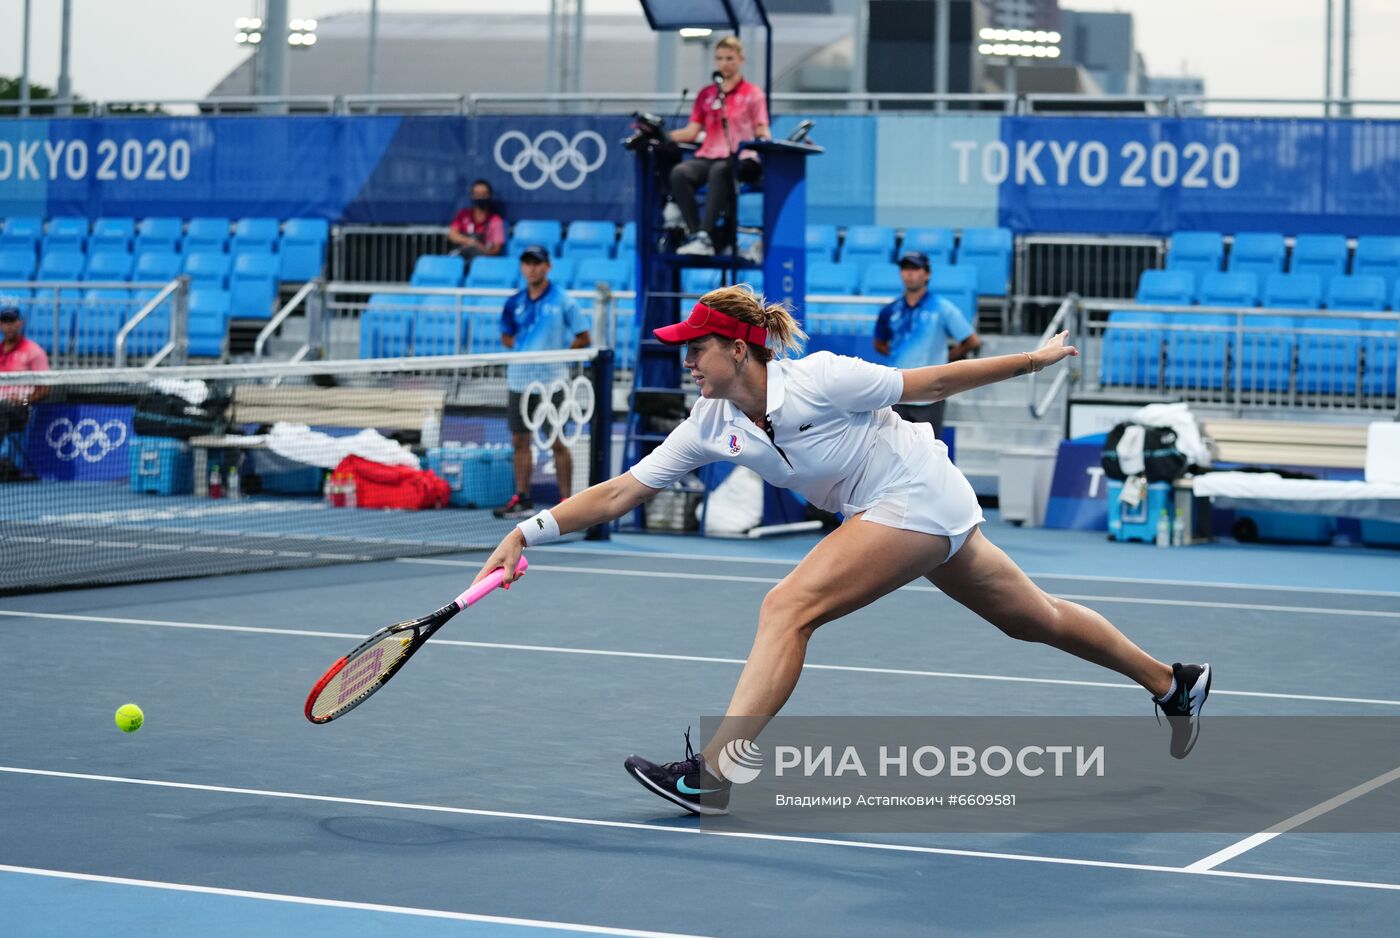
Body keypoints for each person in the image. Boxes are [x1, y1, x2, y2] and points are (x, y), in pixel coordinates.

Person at [473, 286, 1212, 816]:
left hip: (919, 493)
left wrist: (1030, 361)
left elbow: (933, 381)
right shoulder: (709, 422)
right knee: (1035, 619)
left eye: (696, 350)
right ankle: (1170, 683)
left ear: (737, 347)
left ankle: (717, 773)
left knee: (788, 606)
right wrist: (525, 532)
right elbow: (617, 494)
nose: (685, 363)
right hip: (898, 510)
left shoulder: (821, 379)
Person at [492, 245, 592, 520]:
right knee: (519, 440)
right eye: (527, 263)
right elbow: (506, 336)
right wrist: (527, 351)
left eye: (537, 263)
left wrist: (558, 357)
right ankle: (522, 498)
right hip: (519, 381)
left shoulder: (563, 301)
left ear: (548, 266)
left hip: (553, 384)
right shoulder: (514, 302)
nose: (532, 268)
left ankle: (565, 503)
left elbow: (584, 337)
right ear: (522, 267)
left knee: (558, 441)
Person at [668, 36, 771, 257]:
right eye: (720, 59)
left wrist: (763, 137)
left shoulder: (753, 94)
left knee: (720, 170)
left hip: (742, 158)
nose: (724, 63)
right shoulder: (706, 94)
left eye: (730, 58)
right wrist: (663, 135)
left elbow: (762, 128)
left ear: (741, 60)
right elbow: (691, 131)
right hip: (709, 155)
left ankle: (706, 235)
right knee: (680, 172)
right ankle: (698, 236)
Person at [873, 250, 982, 439]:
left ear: (927, 273)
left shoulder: (942, 307)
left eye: (915, 268)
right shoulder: (890, 310)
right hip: (897, 391)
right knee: (892, 449)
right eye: (905, 268)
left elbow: (972, 341)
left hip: (930, 394)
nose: (909, 273)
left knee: (928, 452)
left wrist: (944, 360)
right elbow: (879, 344)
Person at [0, 301, 49, 474]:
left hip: (20, 410)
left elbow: (44, 388)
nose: (9, 326)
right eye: (5, 321)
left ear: (20, 323)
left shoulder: (34, 351)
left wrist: (23, 400)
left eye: (12, 321)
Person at [447, 179, 506, 260]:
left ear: (490, 195)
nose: (481, 197)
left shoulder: (495, 220)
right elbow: (452, 235)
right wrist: (472, 242)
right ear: (472, 196)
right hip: (462, 256)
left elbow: (496, 250)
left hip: (482, 261)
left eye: (484, 194)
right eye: (477, 194)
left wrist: (481, 248)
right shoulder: (463, 214)